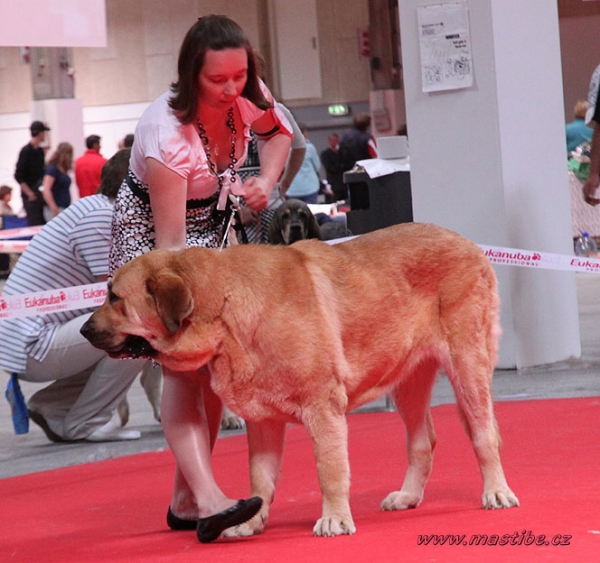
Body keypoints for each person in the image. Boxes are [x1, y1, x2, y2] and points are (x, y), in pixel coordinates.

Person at [108, 15, 293, 540]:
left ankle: (186, 498)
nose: (232, 87)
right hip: (155, 244)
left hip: (212, 226)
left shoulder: (247, 94)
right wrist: (198, 300)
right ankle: (208, 499)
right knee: (181, 364)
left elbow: (278, 133)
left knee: (213, 363)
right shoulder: (164, 133)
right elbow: (169, 249)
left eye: (239, 75)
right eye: (218, 80)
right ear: (192, 75)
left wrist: (266, 181)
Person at [0, 148, 147, 442]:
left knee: (123, 326)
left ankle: (53, 407)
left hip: (27, 337)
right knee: (137, 330)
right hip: (31, 342)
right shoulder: (103, 218)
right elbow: (111, 298)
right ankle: (87, 422)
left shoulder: (96, 209)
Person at [14, 120, 50, 226]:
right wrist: (29, 193)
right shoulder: (26, 151)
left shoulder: (40, 152)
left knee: (43, 222)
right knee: (35, 223)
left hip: (39, 192)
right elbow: (18, 175)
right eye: (43, 132)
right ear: (39, 133)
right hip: (30, 194)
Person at [284, 124, 321, 204]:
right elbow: (317, 166)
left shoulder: (285, 148)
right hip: (310, 187)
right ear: (303, 134)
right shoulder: (309, 147)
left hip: (292, 188)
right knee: (311, 212)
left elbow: (284, 167)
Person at [41, 142, 74, 221]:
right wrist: (54, 207)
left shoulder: (64, 170)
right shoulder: (52, 169)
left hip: (64, 207)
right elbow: (46, 189)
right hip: (55, 209)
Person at [320, 132, 346, 201]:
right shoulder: (325, 154)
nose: (335, 142)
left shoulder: (342, 152)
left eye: (336, 140)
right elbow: (329, 167)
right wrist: (340, 166)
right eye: (333, 140)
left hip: (343, 183)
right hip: (333, 183)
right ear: (329, 141)